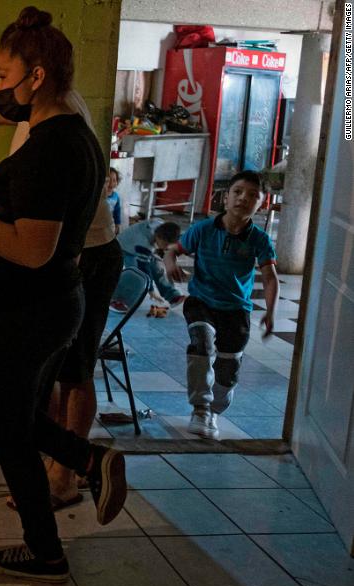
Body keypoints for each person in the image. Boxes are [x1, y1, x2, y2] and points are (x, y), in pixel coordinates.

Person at [0, 6, 127, 583]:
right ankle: (88, 460)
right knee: (10, 415)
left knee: (6, 426)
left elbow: (32, 248)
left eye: (4, 75)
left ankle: (46, 550)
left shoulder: (52, 146)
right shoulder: (69, 134)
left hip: (28, 309)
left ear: (38, 74)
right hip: (45, 304)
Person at [1, 91, 123, 510]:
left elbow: (46, 218)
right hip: (61, 258)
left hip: (85, 255)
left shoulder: (61, 117)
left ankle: (69, 474)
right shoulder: (32, 119)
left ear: (36, 74)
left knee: (75, 369)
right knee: (43, 374)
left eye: (3, 73)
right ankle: (64, 463)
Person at [164, 170, 279, 439]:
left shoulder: (259, 240)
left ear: (262, 203)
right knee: (201, 342)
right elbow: (173, 249)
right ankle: (200, 408)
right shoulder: (204, 229)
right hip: (201, 300)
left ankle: (214, 409)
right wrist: (170, 263)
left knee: (228, 367)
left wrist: (270, 313)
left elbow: (270, 278)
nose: (243, 199)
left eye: (253, 195)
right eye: (237, 192)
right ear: (226, 197)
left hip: (236, 309)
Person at [110, 218, 185, 311]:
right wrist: (151, 290)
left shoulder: (161, 226)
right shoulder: (144, 243)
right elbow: (143, 269)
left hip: (139, 245)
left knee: (157, 270)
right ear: (159, 238)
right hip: (125, 249)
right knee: (135, 275)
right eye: (165, 245)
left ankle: (172, 296)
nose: (166, 248)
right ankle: (118, 300)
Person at [106, 168, 123, 235]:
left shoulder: (116, 197)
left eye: (114, 180)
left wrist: (117, 224)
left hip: (110, 225)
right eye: (109, 180)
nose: (111, 183)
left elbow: (117, 211)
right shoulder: (99, 196)